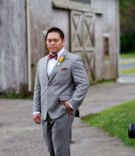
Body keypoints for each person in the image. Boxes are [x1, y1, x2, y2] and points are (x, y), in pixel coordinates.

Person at [33, 27, 89, 156]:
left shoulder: (73, 60)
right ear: (46, 42)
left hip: (63, 111)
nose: (52, 43)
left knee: (61, 151)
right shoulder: (41, 62)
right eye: (49, 40)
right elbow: (38, 88)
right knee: (50, 150)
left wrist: (72, 103)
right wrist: (36, 110)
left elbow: (83, 83)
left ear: (63, 41)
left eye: (55, 40)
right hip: (45, 114)